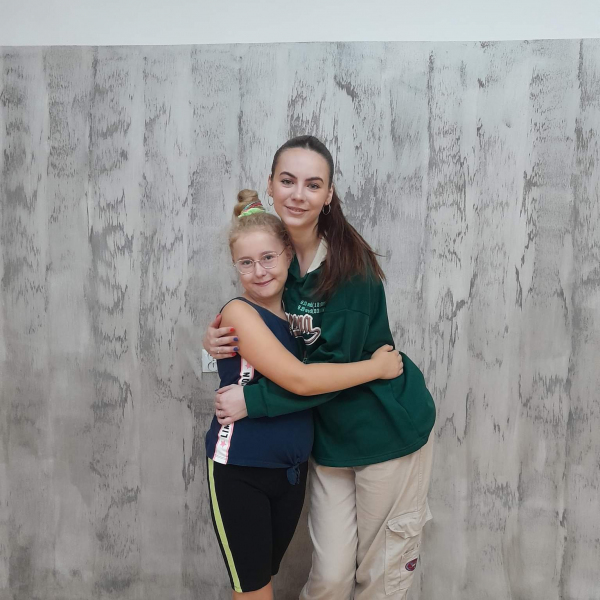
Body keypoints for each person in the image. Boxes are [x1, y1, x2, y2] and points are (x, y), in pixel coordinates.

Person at [205, 136, 437, 600]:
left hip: (383, 429)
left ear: (328, 194)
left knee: (380, 579)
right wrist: (214, 346)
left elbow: (319, 374)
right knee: (329, 579)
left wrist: (253, 401)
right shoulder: (275, 259)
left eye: (313, 185)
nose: (298, 194)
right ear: (270, 185)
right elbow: (260, 330)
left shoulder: (350, 270)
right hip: (327, 438)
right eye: (287, 181)